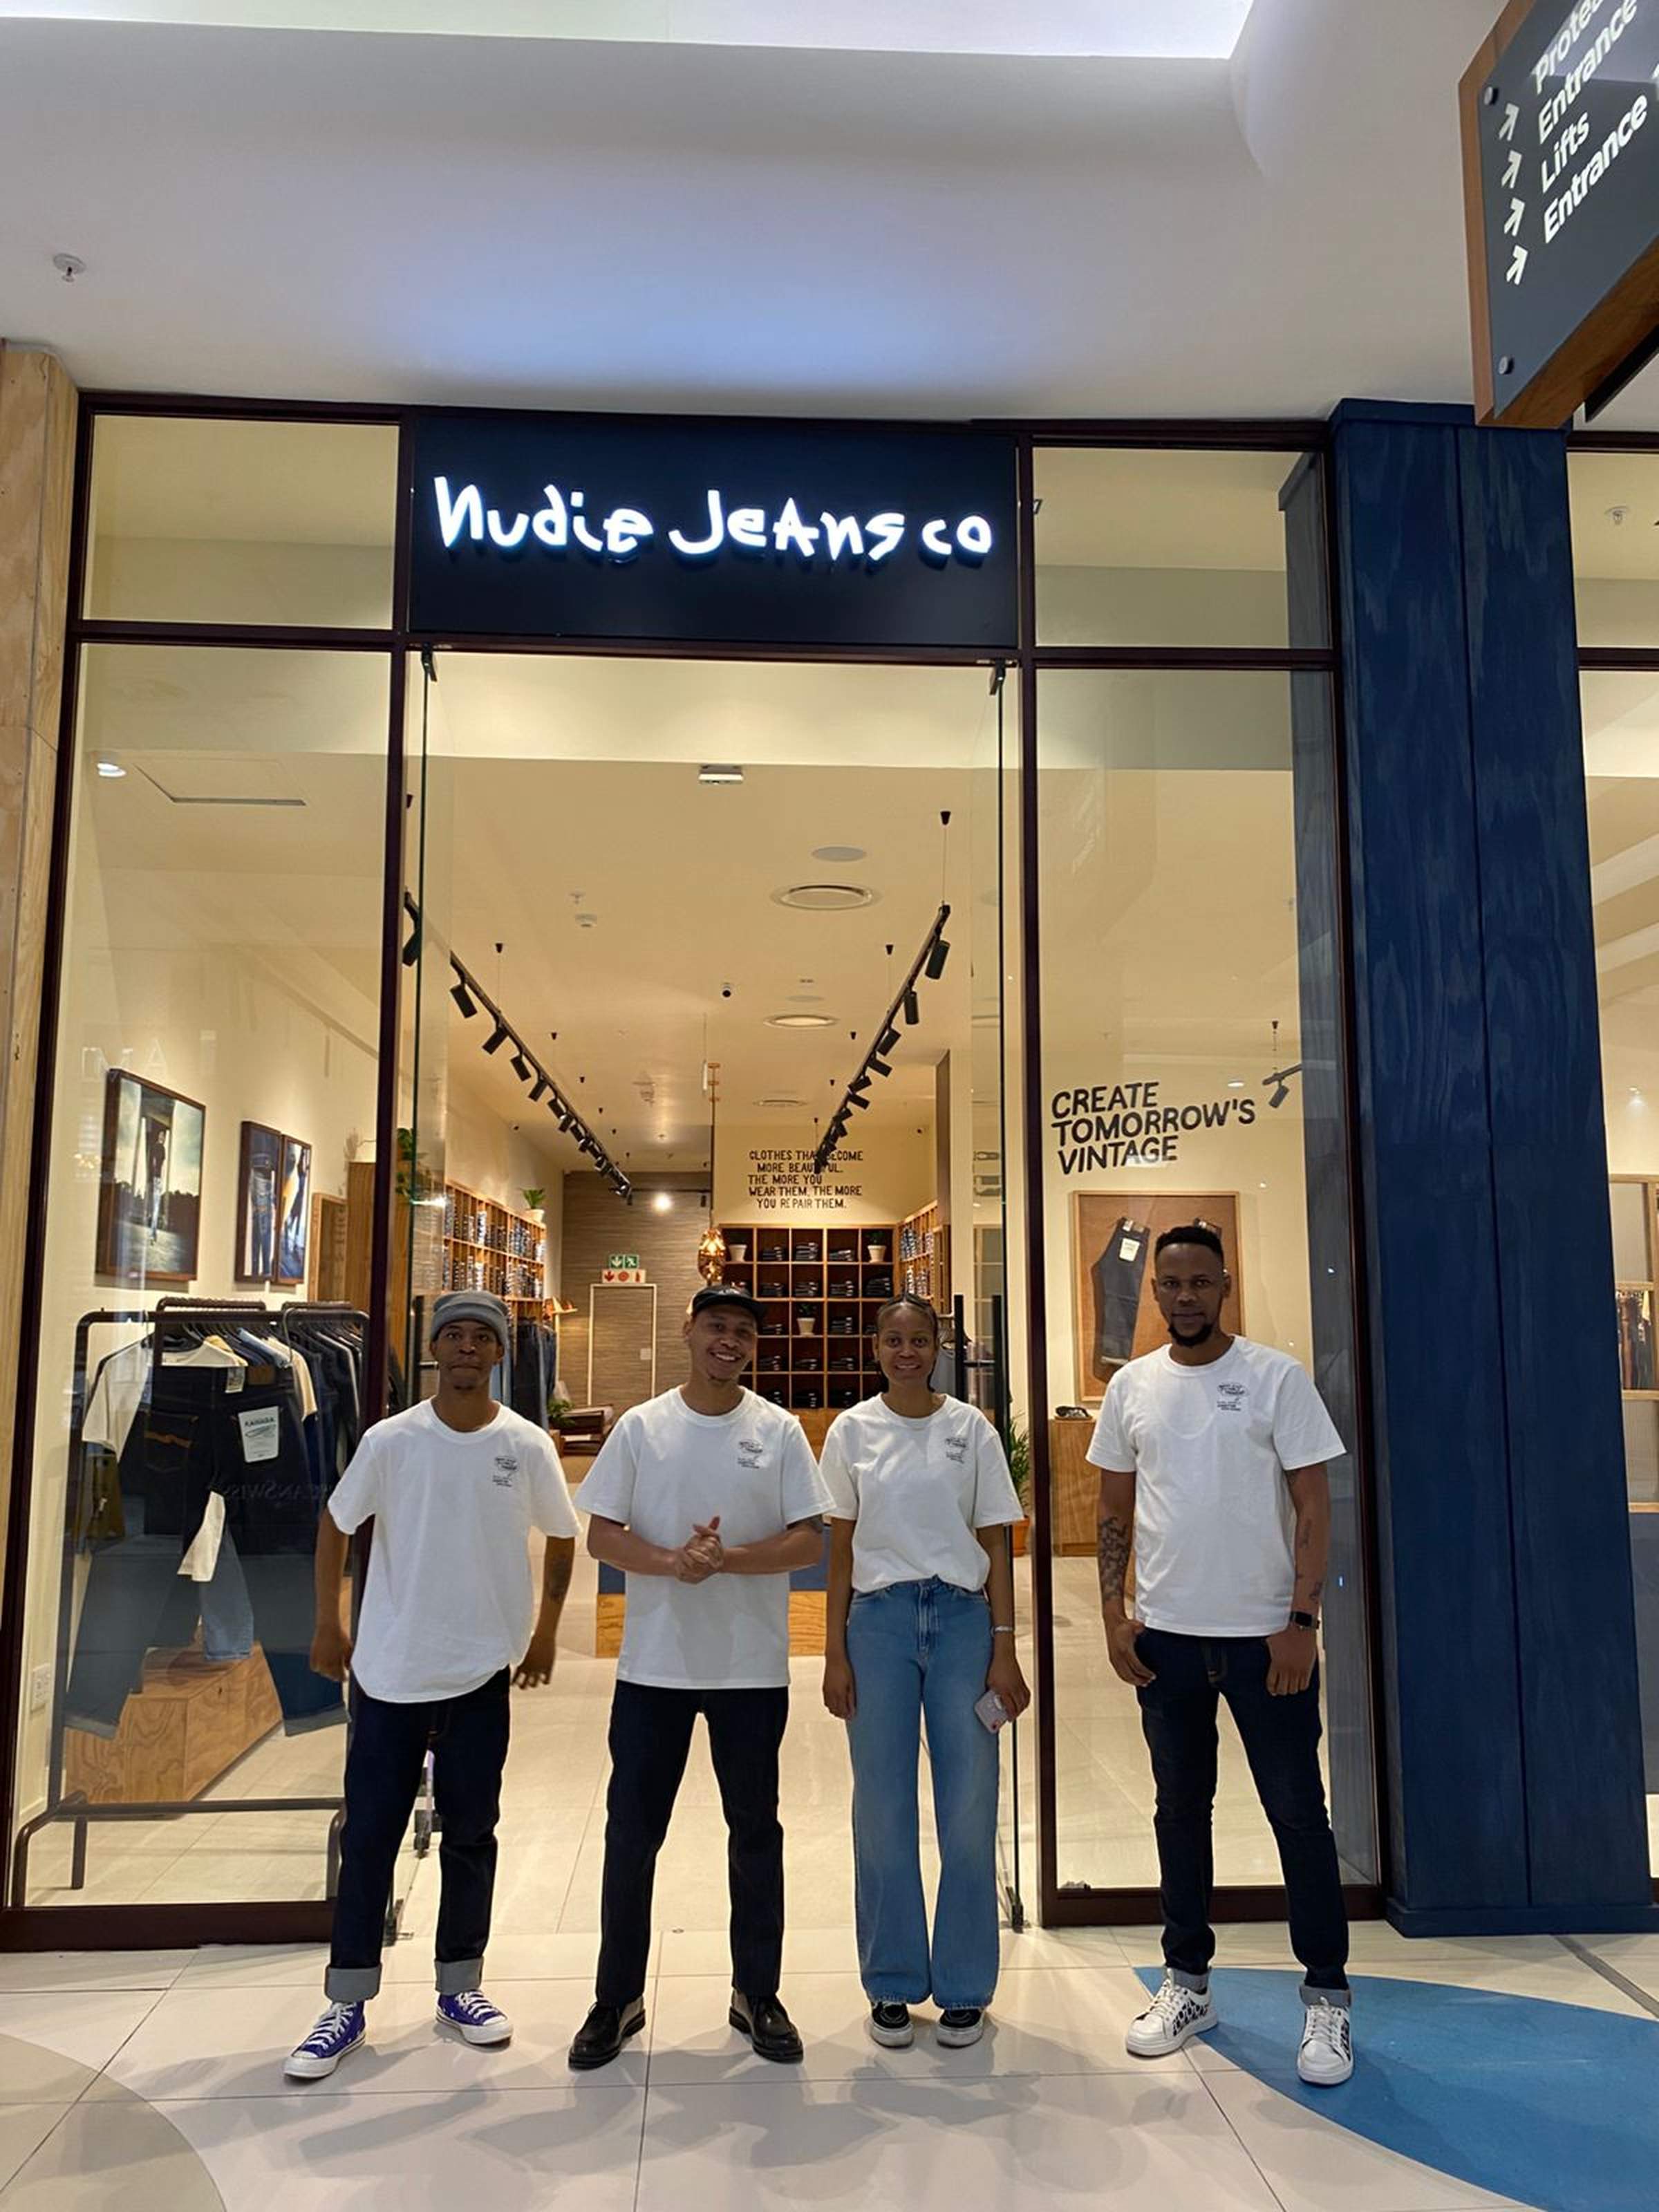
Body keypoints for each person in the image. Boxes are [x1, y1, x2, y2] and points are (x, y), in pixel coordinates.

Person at [283, 1290, 579, 2081]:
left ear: (500, 1352)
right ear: (435, 1348)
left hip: (480, 1673)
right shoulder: (392, 1440)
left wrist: (546, 1632)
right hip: (390, 1671)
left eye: (482, 1336)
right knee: (371, 1837)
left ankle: (460, 1985)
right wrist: (328, 1622)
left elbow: (562, 1533)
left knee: (473, 1831)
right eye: (454, 1335)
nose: (467, 1347)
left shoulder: (525, 1444)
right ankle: (346, 1999)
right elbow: (336, 1522)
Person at [1089, 1224, 1354, 2086]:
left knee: (1297, 1813)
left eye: (1201, 1281)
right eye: (1172, 1283)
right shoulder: (1131, 1387)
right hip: (1167, 1638)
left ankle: (1326, 1995)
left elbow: (1313, 1502)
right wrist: (1113, 1612)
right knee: (1179, 1811)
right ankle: (1188, 1981)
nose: (1186, 1295)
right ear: (1154, 1292)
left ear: (1225, 1286)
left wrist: (1302, 1618)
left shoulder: (1275, 1377)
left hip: (1266, 1639)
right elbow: (1114, 1507)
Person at [568, 1283, 831, 2071]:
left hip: (751, 1668)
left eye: (744, 1332)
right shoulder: (642, 1427)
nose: (730, 1341)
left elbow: (809, 1539)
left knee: (756, 1831)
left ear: (754, 1346)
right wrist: (670, 1562)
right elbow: (601, 1535)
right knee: (631, 1833)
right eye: (717, 1325)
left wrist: (725, 1561)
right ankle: (616, 1996)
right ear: (688, 1331)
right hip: (654, 1667)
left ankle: (758, 1991)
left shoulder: (778, 1430)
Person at [821, 1296, 1028, 2051]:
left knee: (968, 1805)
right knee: (881, 1808)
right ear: (876, 1347)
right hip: (877, 1625)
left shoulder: (971, 1430)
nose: (906, 1351)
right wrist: (834, 1650)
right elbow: (840, 1549)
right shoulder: (852, 1431)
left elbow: (996, 1542)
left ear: (940, 1347)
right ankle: (892, 1980)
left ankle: (966, 1985)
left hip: (963, 1623)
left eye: (920, 1339)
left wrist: (1004, 1643)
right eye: (893, 1339)